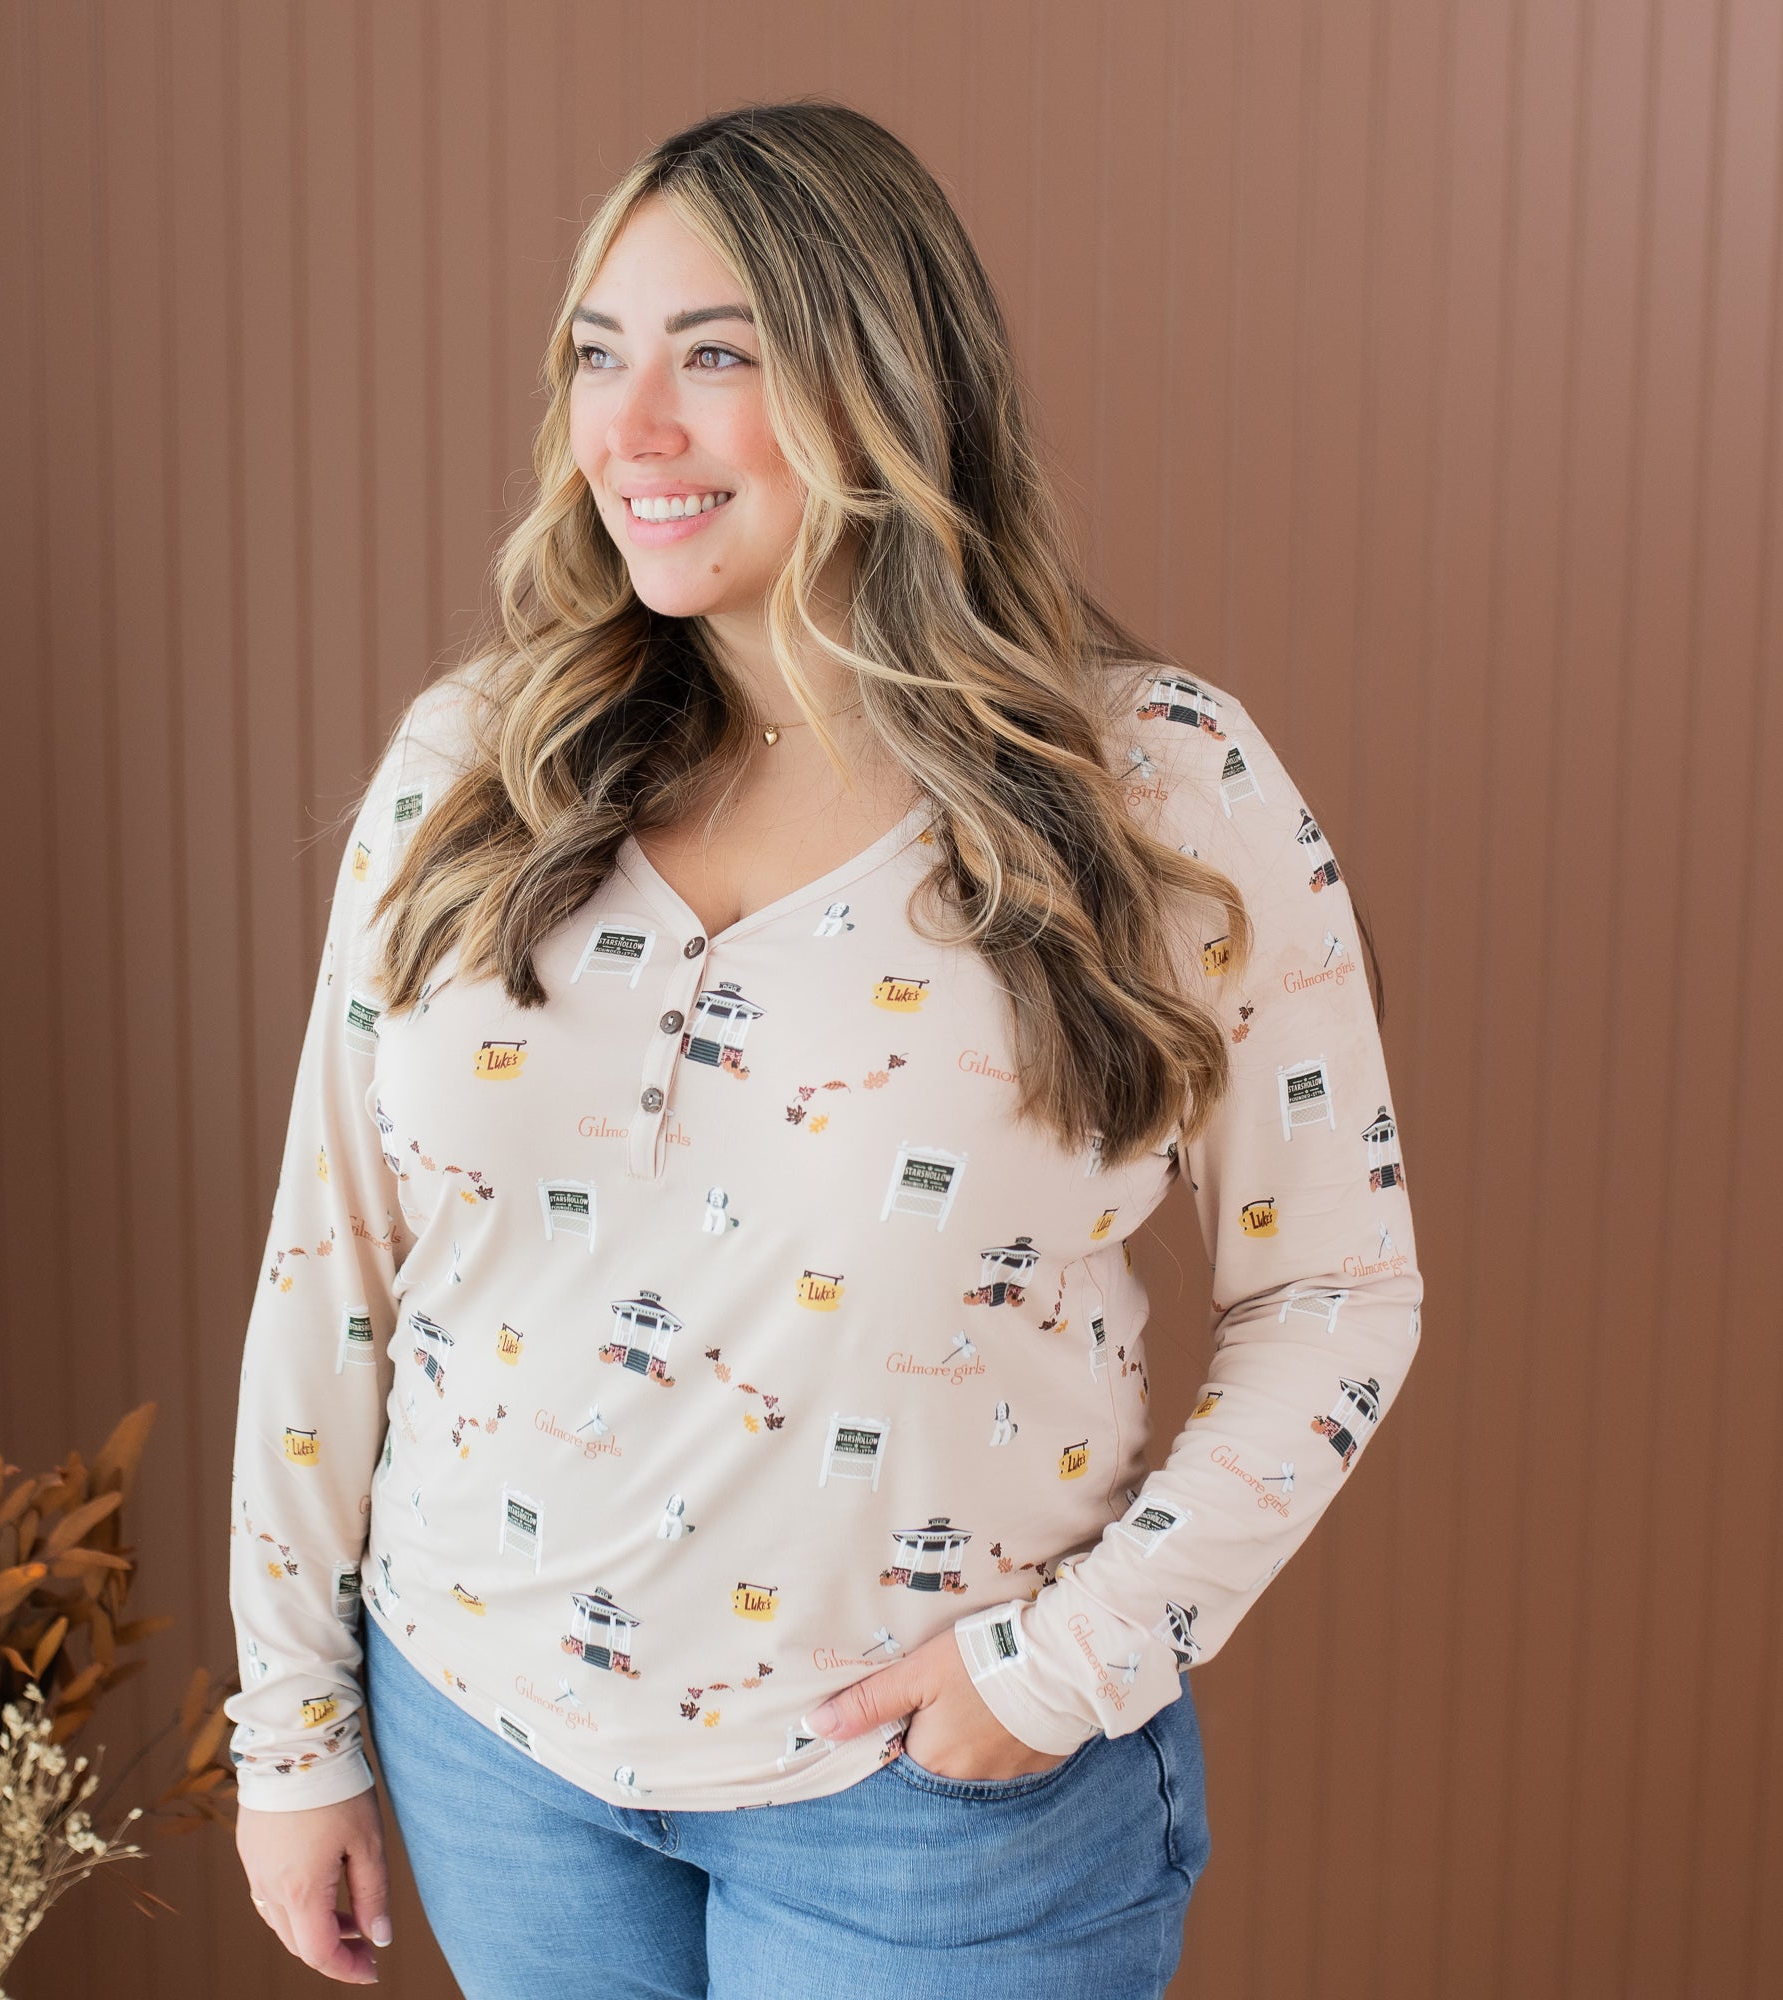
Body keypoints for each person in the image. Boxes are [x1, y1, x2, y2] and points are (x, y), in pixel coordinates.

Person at [226, 98, 1424, 2000]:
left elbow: (1339, 1294)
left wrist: (1078, 1666)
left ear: (889, 382)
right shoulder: (476, 767)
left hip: (928, 1813)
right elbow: (335, 1260)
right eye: (599, 358)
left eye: (717, 358)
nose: (631, 434)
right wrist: (293, 1726)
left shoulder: (1163, 789)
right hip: (488, 1743)